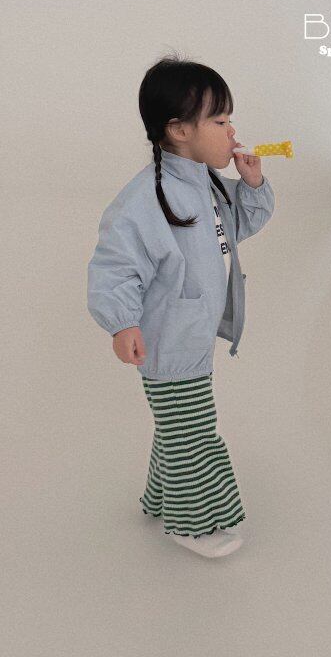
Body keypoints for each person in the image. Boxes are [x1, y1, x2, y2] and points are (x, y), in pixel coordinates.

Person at [87, 55, 276, 558]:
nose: (232, 131)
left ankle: (157, 500)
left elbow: (235, 230)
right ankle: (192, 524)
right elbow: (116, 265)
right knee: (194, 434)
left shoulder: (205, 185)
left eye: (229, 119)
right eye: (220, 121)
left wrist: (252, 185)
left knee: (178, 426)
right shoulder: (147, 198)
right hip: (167, 339)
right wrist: (122, 322)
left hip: (191, 333)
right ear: (179, 130)